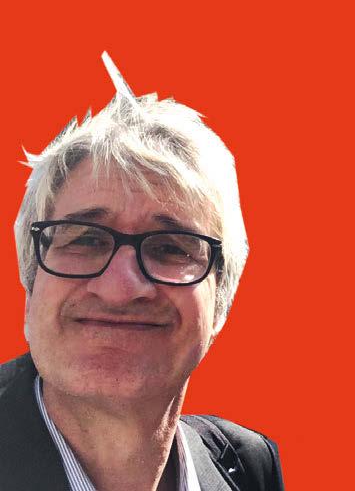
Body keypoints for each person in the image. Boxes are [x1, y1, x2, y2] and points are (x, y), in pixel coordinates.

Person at [0, 53, 284, 491]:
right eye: (85, 240)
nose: (121, 288)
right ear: (30, 283)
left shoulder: (248, 466)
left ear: (221, 301)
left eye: (170, 248)